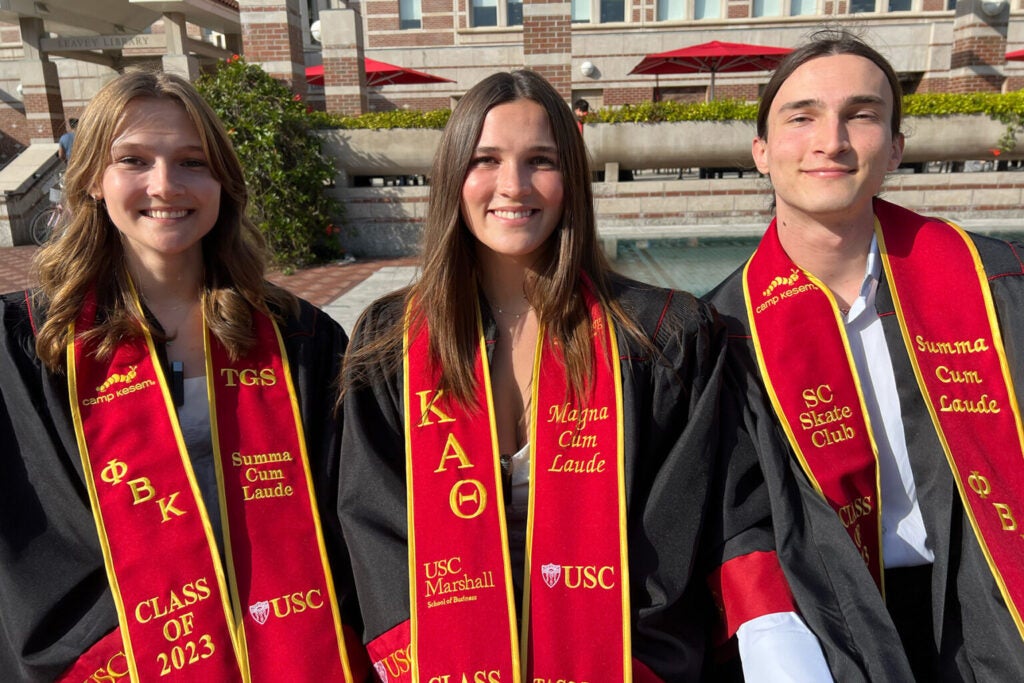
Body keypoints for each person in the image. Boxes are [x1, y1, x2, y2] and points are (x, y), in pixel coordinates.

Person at [338, 69, 830, 681]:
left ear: (572, 179)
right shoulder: (393, 339)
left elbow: (679, 527)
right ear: (452, 178)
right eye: (485, 158)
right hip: (446, 661)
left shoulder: (660, 337)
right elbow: (375, 524)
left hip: (615, 655)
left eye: (540, 160)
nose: (513, 186)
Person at [0, 70, 369, 681]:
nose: (165, 185)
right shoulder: (30, 344)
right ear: (94, 177)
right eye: (134, 160)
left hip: (288, 654)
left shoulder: (299, 339)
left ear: (221, 180)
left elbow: (347, 514)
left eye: (193, 162)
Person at [707, 28, 1024, 681]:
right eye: (803, 117)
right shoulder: (720, 331)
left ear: (896, 147)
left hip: (991, 604)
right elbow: (735, 518)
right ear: (761, 151)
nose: (832, 140)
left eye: (862, 115)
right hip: (826, 626)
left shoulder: (999, 286)